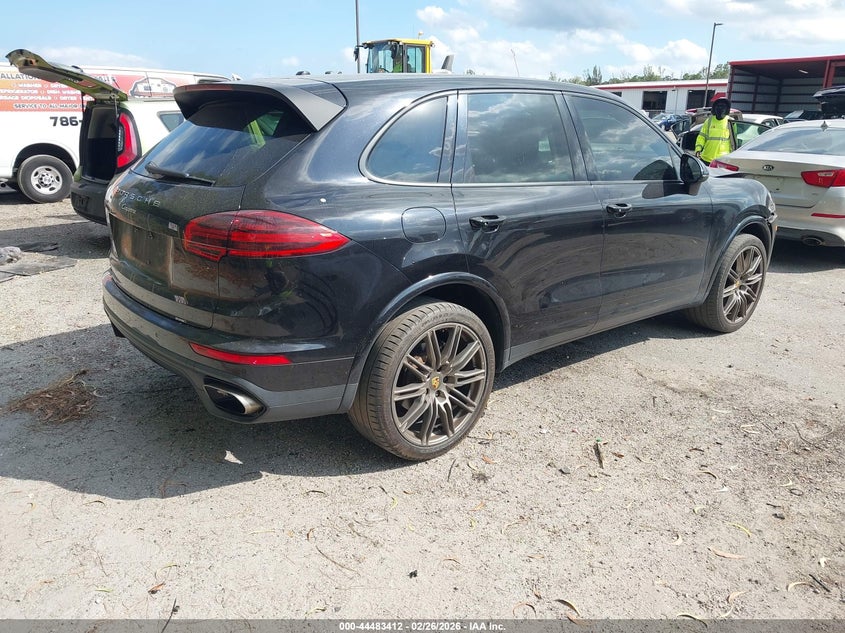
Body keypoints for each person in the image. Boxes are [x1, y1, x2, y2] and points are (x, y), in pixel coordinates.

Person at [695, 97, 733, 164]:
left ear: (727, 109)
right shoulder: (709, 121)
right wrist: (698, 149)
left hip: (723, 159)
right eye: (718, 106)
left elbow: (734, 140)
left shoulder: (730, 121)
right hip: (706, 157)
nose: (720, 108)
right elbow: (701, 137)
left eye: (723, 106)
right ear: (714, 108)